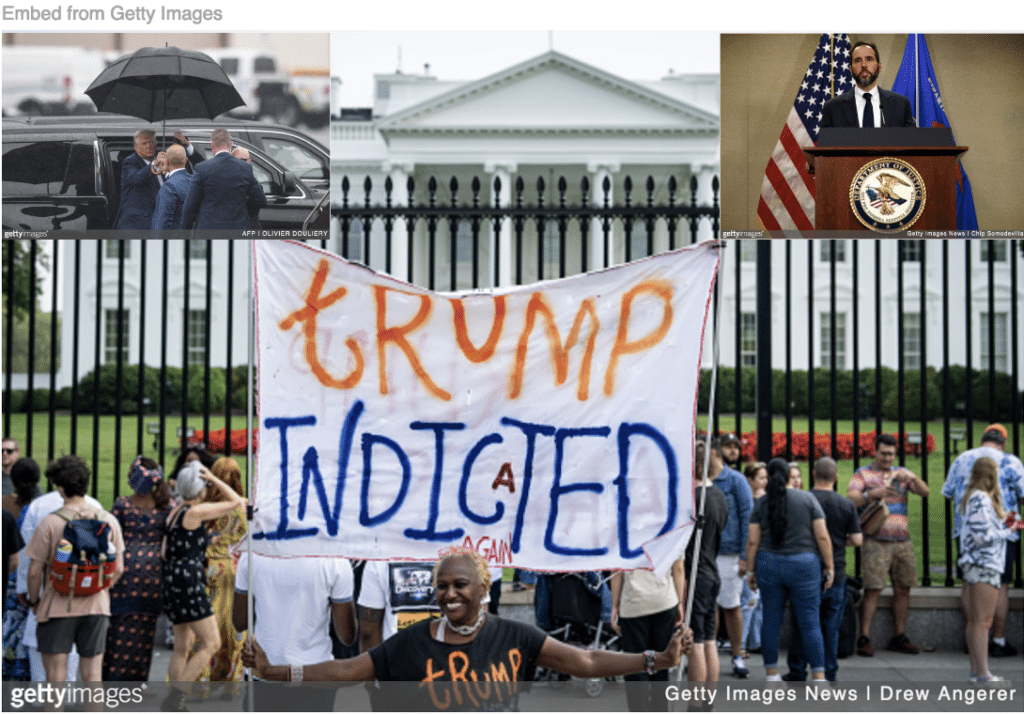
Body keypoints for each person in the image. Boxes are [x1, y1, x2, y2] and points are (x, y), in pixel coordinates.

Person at [245, 548, 692, 709]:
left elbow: (587, 660)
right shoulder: (411, 643)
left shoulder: (514, 637)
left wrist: (659, 659)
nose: (449, 594)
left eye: (460, 585)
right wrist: (276, 672)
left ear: (484, 587)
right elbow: (347, 670)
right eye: (441, 586)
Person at [24, 455, 125, 683]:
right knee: (92, 677)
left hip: (57, 605)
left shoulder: (50, 523)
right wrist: (101, 588)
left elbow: (33, 572)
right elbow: (118, 568)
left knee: (56, 678)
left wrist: (34, 601)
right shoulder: (108, 520)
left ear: (60, 488)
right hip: (96, 606)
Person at [161, 460, 246, 710]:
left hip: (172, 581)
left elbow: (166, 550)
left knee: (182, 647)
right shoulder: (195, 511)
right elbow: (236, 501)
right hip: (189, 582)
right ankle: (175, 698)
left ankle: (176, 701)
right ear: (200, 489)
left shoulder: (175, 512)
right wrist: (213, 477)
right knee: (211, 643)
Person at [233, 551, 356, 710]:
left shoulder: (252, 553)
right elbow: (347, 636)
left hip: (263, 669)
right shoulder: (334, 560)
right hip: (315, 673)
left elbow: (240, 621)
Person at [745, 458, 833, 682]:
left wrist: (750, 571)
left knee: (771, 621)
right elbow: (822, 536)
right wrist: (830, 566)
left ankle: (771, 675)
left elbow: (753, 541)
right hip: (804, 565)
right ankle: (819, 677)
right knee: (810, 623)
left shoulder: (761, 503)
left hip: (769, 565)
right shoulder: (807, 499)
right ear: (788, 477)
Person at [942, 423, 1024, 658]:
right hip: (1001, 535)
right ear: (1004, 442)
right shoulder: (1011, 461)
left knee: (969, 584)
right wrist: (1014, 522)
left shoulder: (963, 458)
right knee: (1001, 586)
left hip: (965, 533)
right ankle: (997, 641)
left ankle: (974, 640)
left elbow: (948, 493)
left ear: (982, 439)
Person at [847, 433, 929, 656]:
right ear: (874, 451)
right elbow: (851, 498)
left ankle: (899, 636)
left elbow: (925, 491)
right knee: (873, 589)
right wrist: (873, 494)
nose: (887, 458)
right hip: (875, 541)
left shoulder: (901, 474)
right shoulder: (863, 473)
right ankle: (864, 637)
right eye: (883, 453)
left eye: (891, 454)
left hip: (902, 541)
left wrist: (911, 475)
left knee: (903, 588)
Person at [785, 457, 862, 682]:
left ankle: (797, 669)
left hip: (805, 570)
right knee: (831, 626)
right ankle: (829, 671)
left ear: (814, 474)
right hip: (835, 571)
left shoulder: (803, 500)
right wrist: (838, 541)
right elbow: (857, 539)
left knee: (801, 624)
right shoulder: (845, 504)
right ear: (836, 477)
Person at [102, 456, 172, 681]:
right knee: (145, 629)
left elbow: (109, 540)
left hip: (125, 571)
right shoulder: (165, 507)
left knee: (118, 627)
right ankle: (137, 682)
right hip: (153, 574)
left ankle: (113, 678)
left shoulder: (122, 504)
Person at [958, 456, 1012, 683]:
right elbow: (982, 537)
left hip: (976, 563)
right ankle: (983, 674)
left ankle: (976, 671)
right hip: (985, 564)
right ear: (992, 474)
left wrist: (1008, 522)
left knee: (975, 621)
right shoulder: (980, 498)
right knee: (983, 622)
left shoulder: (974, 498)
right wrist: (1007, 532)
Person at [683, 441, 728, 700]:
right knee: (709, 638)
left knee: (696, 641)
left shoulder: (694, 499)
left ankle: (696, 699)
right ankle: (707, 699)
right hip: (712, 570)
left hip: (696, 573)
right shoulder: (720, 497)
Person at [196, 456, 247, 683]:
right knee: (232, 626)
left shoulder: (204, 507)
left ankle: (202, 678)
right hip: (234, 569)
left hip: (208, 568)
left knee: (207, 625)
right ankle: (231, 679)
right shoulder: (242, 506)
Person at [610, 559, 685, 712]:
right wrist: (679, 601)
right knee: (661, 663)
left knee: (635, 666)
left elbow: (616, 570)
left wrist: (615, 605)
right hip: (664, 599)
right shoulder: (669, 533)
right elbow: (678, 567)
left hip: (633, 603)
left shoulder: (623, 533)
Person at [710, 436, 753, 677]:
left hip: (728, 553)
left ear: (712, 454)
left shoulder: (735, 480)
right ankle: (709, 653)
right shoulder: (698, 480)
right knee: (708, 606)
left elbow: (748, 517)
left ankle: (738, 654)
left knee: (731, 605)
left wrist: (746, 556)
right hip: (705, 552)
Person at [180, 128, 267, 230]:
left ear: (212, 144)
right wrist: (240, 204)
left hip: (209, 229)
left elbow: (190, 206)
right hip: (237, 229)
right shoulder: (245, 168)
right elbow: (261, 200)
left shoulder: (202, 168)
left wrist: (185, 231)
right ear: (231, 144)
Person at [820, 41, 916, 129]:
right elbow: (826, 145)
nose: (864, 65)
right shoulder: (832, 107)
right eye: (857, 60)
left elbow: (911, 143)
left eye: (869, 59)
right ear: (851, 70)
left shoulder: (901, 104)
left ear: (879, 66)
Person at [3, 458, 37, 681]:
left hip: (9, 576)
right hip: (33, 574)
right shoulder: (41, 506)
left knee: (9, 626)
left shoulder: (3, 506)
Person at [113, 129, 167, 229]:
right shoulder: (130, 162)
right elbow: (136, 178)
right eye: (144, 143)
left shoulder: (163, 160)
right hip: (136, 224)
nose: (149, 146)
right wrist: (154, 164)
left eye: (151, 142)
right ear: (136, 147)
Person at [740, 462, 767, 656]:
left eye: (766, 477)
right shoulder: (746, 501)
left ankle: (755, 641)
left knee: (760, 602)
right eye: (761, 478)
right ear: (750, 479)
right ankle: (740, 643)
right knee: (749, 601)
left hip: (764, 554)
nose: (765, 481)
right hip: (749, 554)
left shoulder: (767, 500)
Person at [151, 144, 193, 230]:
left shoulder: (169, 186)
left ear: (167, 161)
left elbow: (161, 224)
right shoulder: (194, 182)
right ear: (185, 160)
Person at [231, 147, 262, 230]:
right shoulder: (223, 182)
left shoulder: (253, 182)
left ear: (249, 162)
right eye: (236, 161)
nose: (240, 164)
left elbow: (260, 201)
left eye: (243, 161)